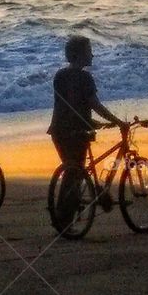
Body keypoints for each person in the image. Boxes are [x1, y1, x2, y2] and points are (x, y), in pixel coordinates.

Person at [48, 35, 127, 228]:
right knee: (75, 173)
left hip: (58, 130)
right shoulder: (85, 77)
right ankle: (64, 218)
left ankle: (63, 216)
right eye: (88, 51)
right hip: (77, 131)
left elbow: (68, 105)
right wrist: (117, 121)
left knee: (72, 170)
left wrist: (91, 121)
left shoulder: (60, 75)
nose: (92, 54)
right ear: (79, 55)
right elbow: (94, 104)